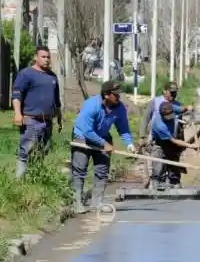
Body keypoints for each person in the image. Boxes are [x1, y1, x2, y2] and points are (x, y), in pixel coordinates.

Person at [71, 80, 135, 213]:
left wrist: (129, 143)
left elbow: (123, 128)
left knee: (102, 171)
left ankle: (97, 203)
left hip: (102, 135)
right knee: (80, 170)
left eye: (119, 94)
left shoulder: (119, 108)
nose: (119, 97)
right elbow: (87, 130)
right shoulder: (92, 105)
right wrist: (104, 144)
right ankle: (77, 202)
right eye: (115, 95)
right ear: (106, 95)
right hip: (82, 137)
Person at [11, 46, 63, 179]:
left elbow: (56, 100)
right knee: (26, 151)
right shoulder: (26, 73)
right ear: (36, 57)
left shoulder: (52, 76)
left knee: (43, 150)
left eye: (48, 57)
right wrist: (18, 114)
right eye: (43, 57)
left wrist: (59, 117)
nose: (46, 60)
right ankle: (19, 181)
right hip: (31, 120)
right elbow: (17, 95)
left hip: (47, 121)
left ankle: (34, 179)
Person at [149, 101, 199, 190]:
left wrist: (188, 107)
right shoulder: (159, 125)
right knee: (159, 164)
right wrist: (191, 146)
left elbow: (182, 109)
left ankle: (175, 182)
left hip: (171, 142)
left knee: (174, 163)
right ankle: (157, 184)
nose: (170, 117)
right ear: (162, 115)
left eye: (171, 114)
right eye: (167, 116)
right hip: (160, 143)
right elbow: (174, 141)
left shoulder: (170, 107)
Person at [138, 81, 194, 147]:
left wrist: (182, 141)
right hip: (156, 139)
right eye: (171, 92)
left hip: (172, 139)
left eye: (175, 93)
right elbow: (145, 118)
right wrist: (142, 137)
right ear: (165, 91)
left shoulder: (178, 105)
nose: (173, 94)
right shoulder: (155, 101)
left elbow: (180, 126)